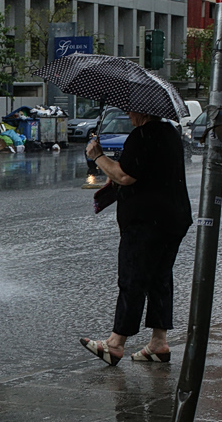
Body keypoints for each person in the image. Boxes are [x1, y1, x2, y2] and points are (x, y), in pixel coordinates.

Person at [80, 110, 192, 365]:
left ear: (143, 110)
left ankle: (115, 344)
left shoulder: (142, 136)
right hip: (174, 217)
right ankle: (158, 343)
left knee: (133, 278)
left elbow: (124, 175)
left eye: (131, 110)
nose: (128, 113)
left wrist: (97, 156)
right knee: (160, 278)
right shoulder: (169, 133)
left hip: (146, 221)